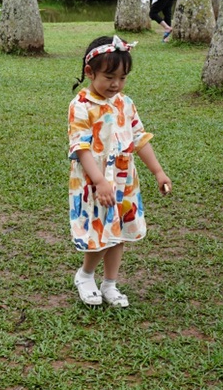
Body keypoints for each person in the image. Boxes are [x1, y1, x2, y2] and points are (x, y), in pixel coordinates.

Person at [68, 35, 172, 308]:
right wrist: (100, 181)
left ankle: (110, 284)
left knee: (119, 231)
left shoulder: (125, 103)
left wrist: (158, 172)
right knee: (99, 232)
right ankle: (85, 275)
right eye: (109, 77)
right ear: (90, 72)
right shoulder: (81, 105)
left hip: (124, 180)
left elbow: (139, 139)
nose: (116, 84)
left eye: (123, 78)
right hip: (95, 182)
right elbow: (81, 148)